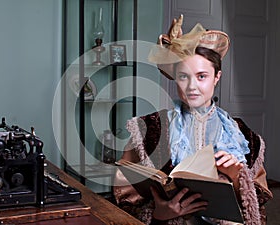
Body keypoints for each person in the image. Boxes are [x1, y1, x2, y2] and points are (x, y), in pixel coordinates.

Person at [113, 15, 272, 225]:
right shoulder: (148, 129)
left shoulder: (243, 135)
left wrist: (236, 176)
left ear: (217, 76)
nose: (192, 86)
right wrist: (158, 214)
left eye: (202, 76)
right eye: (183, 76)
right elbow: (124, 199)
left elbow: (257, 204)